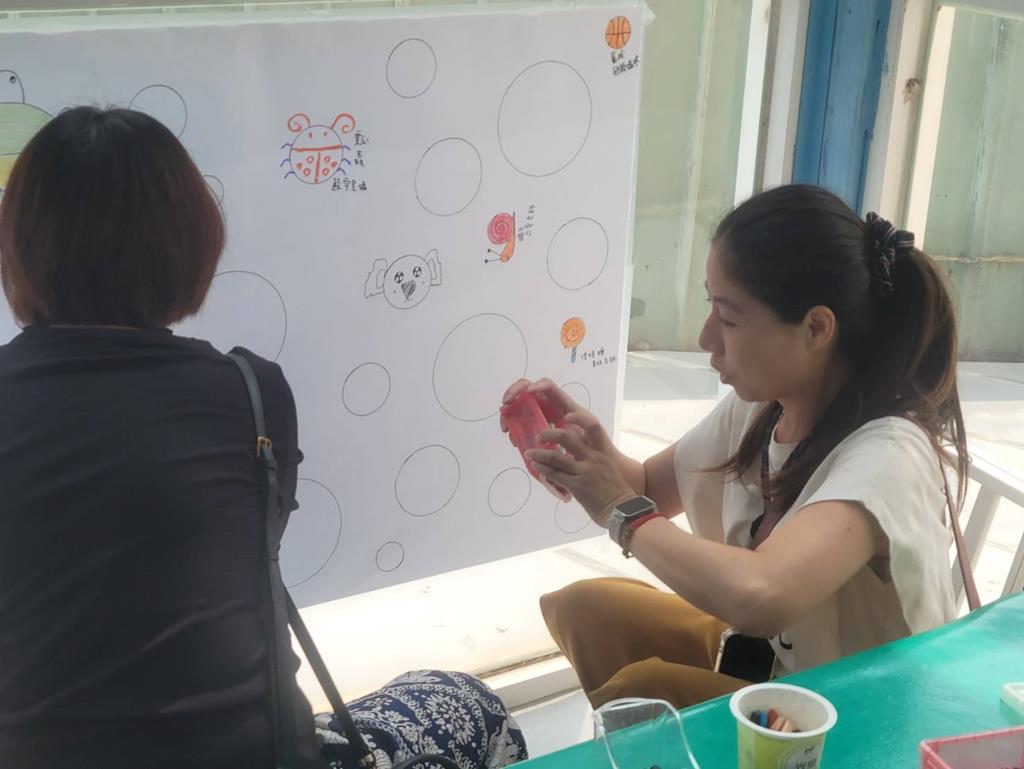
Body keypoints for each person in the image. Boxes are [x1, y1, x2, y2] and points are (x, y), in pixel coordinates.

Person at [0, 106, 527, 769]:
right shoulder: (252, 394)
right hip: (259, 753)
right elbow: (244, 549)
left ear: (20, 248)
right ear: (188, 244)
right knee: (469, 703)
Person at [502, 184, 967, 710]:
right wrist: (583, 453)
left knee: (641, 693)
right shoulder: (766, 406)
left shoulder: (888, 457)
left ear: (816, 328)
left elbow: (761, 596)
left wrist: (618, 508)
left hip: (859, 714)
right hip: (773, 664)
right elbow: (649, 489)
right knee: (584, 609)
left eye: (727, 317)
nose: (706, 338)